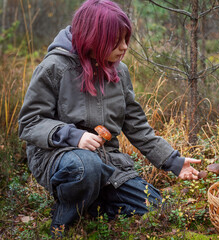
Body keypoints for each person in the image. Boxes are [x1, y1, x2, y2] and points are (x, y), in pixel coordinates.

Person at [18, 0, 200, 236]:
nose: (124, 47)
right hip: (56, 156)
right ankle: (63, 220)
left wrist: (174, 162)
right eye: (116, 41)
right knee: (86, 166)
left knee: (154, 206)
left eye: (126, 39)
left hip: (107, 160)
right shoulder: (54, 67)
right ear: (93, 37)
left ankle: (91, 204)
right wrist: (74, 136)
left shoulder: (119, 72)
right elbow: (29, 122)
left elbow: (137, 127)